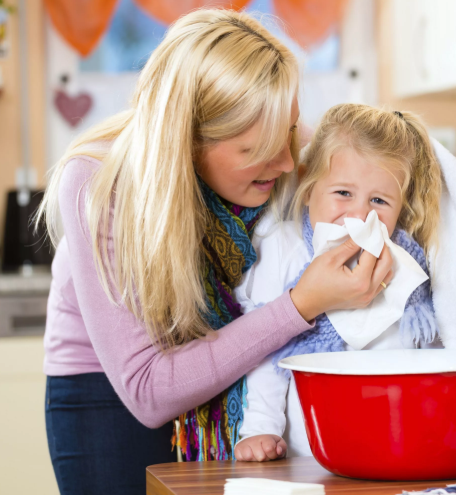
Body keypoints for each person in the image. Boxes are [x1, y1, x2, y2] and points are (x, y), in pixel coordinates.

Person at [38, 11, 392, 495]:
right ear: (189, 139)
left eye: (289, 132)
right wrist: (301, 303)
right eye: (259, 150)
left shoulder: (273, 138)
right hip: (110, 390)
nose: (289, 162)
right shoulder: (99, 182)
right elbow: (147, 390)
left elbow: (388, 163)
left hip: (235, 367)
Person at [225, 104, 443, 461]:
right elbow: (266, 351)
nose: (359, 214)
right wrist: (261, 427)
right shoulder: (283, 247)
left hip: (389, 439)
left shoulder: (404, 261)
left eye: (379, 200)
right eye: (343, 193)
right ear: (308, 188)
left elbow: (422, 346)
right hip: (307, 451)